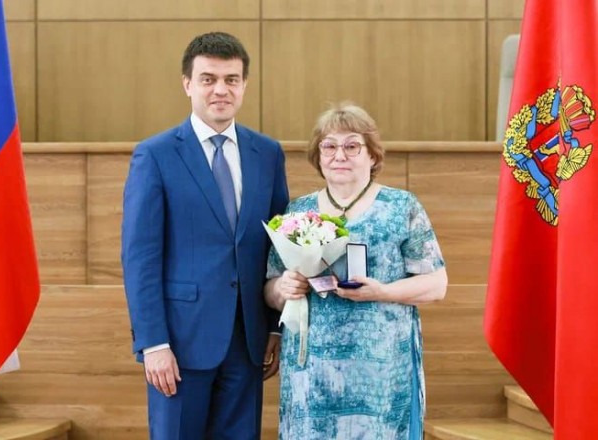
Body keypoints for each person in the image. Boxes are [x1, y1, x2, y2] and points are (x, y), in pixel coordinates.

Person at [121, 31, 289, 439]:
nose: (220, 90)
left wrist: (273, 327)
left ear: (244, 85)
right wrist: (153, 342)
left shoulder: (267, 153)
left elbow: (278, 250)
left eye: (231, 79)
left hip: (247, 342)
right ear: (188, 84)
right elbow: (140, 257)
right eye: (208, 79)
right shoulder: (155, 154)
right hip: (179, 343)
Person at [264, 102, 447, 439]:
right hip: (311, 369)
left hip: (382, 367)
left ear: (372, 155)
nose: (339, 155)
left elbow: (436, 284)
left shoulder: (401, 207)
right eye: (329, 146)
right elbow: (271, 287)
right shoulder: (298, 211)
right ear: (318, 156)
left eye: (352, 146)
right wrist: (282, 288)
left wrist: (383, 292)